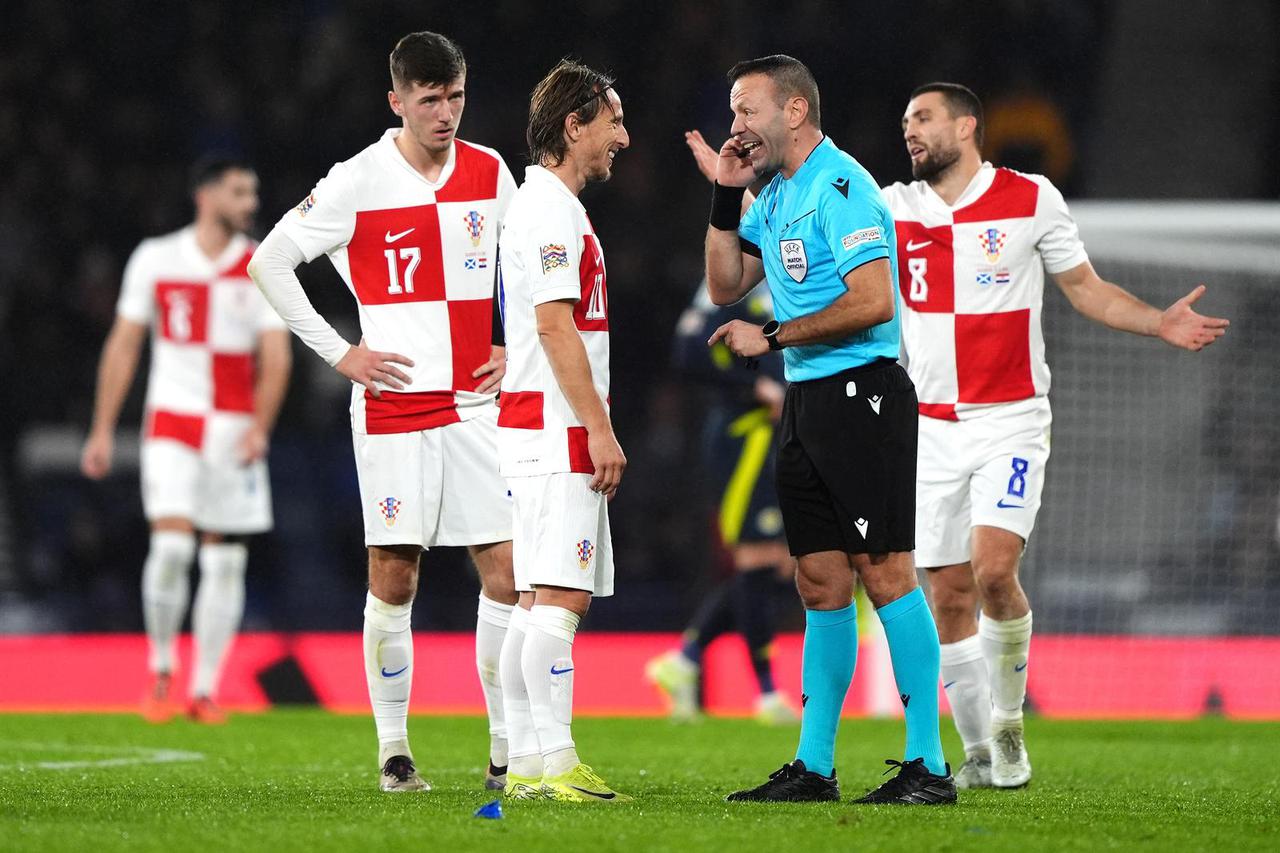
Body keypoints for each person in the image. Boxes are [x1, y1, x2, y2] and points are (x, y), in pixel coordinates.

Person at [886, 83, 1228, 789]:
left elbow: (1086, 287)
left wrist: (1155, 319)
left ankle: (1010, 724)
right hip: (929, 427)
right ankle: (980, 749)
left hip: (1010, 419)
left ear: (967, 125)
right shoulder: (894, 206)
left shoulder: (1031, 196)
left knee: (992, 570)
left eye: (923, 119)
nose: (909, 132)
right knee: (946, 592)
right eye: (904, 123)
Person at [247, 31, 518, 793]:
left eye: (455, 96)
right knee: (395, 577)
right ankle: (395, 752)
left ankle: (504, 752)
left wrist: (513, 340)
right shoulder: (357, 180)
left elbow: (529, 260)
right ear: (396, 100)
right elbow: (268, 261)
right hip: (395, 408)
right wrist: (340, 354)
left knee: (505, 572)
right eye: (429, 100)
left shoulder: (491, 172)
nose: (446, 114)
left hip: (473, 406)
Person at [703, 55, 955, 805]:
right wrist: (723, 192)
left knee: (884, 571)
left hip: (864, 393)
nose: (736, 126)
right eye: (732, 112)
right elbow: (723, 283)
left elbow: (875, 299)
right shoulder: (772, 193)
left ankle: (929, 766)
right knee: (819, 582)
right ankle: (815, 766)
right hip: (809, 400)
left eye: (747, 110)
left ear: (794, 112)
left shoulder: (842, 186)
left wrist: (774, 335)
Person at [81, 156, 292, 725]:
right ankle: (160, 667)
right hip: (171, 422)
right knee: (172, 548)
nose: (250, 202)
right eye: (238, 191)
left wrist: (260, 428)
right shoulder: (155, 257)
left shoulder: (260, 266)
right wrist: (102, 428)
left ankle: (204, 690)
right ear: (204, 195)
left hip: (232, 429)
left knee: (224, 564)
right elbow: (124, 345)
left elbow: (275, 356)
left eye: (253, 191)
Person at [495, 59, 631, 803]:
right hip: (555, 427)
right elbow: (554, 326)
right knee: (560, 598)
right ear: (574, 124)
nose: (623, 137)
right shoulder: (548, 209)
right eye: (611, 120)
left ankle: (525, 765)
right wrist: (600, 429)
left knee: (533, 599)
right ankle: (557, 762)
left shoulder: (549, 206)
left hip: (536, 423)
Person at [645, 281, 799, 725]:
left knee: (778, 564)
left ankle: (685, 660)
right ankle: (767, 693)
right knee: (759, 560)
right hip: (740, 439)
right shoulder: (732, 284)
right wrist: (753, 388)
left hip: (770, 439)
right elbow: (689, 351)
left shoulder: (786, 273)